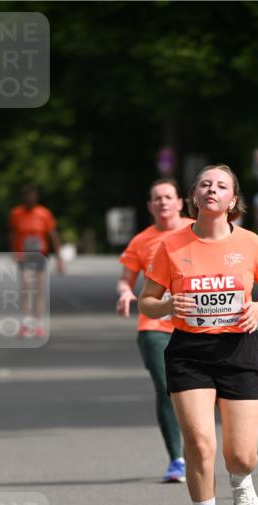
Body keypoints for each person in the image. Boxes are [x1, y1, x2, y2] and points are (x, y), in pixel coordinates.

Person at [139, 163, 258, 505]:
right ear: (194, 196)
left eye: (221, 186)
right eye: (204, 184)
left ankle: (241, 479)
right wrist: (167, 303)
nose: (211, 190)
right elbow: (147, 301)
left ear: (232, 200)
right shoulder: (170, 246)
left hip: (240, 350)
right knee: (200, 444)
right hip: (190, 352)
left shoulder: (251, 243)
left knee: (241, 454)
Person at [117, 179, 191, 482]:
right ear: (150, 206)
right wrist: (124, 292)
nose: (162, 202)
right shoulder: (141, 241)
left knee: (196, 392)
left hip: (193, 323)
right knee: (167, 387)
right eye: (156, 198)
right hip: (154, 325)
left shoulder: (196, 232)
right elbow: (126, 278)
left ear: (180, 202)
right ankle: (177, 458)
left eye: (167, 197)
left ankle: (200, 448)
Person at [8, 185, 63, 337]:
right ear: (23, 198)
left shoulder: (44, 213)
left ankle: (38, 323)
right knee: (26, 287)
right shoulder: (16, 213)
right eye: (27, 197)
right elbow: (12, 233)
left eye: (32, 196)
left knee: (39, 289)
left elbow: (53, 235)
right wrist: (13, 251)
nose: (29, 199)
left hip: (40, 254)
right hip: (24, 255)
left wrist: (59, 257)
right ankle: (26, 323)